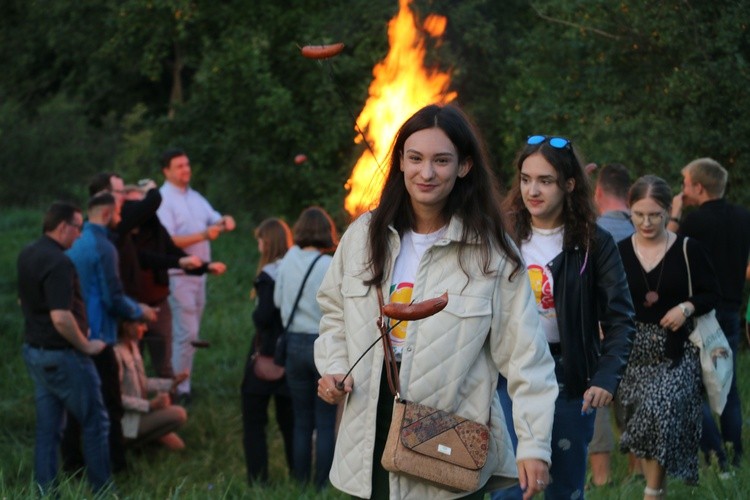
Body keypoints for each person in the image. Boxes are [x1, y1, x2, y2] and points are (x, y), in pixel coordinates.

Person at [315, 104, 559, 499]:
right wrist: (334, 368)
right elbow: (333, 314)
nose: (426, 173)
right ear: (400, 163)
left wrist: (533, 445)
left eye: (441, 161)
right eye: (415, 159)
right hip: (370, 426)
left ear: (463, 167)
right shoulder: (363, 235)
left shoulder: (492, 253)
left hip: (450, 434)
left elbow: (526, 358)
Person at [496, 135, 636, 499]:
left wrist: (606, 377)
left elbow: (621, 317)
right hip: (508, 372)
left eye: (545, 181)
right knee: (512, 488)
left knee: (565, 489)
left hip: (570, 376)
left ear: (569, 184)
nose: (532, 190)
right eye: (526, 179)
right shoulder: (501, 234)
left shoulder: (594, 241)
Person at [618, 175, 720, 498]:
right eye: (638, 214)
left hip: (677, 350)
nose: (646, 222)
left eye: (654, 215)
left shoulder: (689, 250)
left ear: (667, 212)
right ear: (629, 212)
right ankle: (658, 491)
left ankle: (650, 492)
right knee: (643, 422)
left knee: (660, 411)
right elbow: (607, 300)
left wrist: (687, 307)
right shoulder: (620, 252)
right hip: (633, 352)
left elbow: (712, 293)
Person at [17, 201, 111, 494]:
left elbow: (25, 302)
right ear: (62, 227)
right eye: (78, 228)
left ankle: (45, 491)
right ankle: (103, 491)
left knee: (49, 430)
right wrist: (86, 345)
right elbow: (61, 317)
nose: (80, 235)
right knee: (96, 421)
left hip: (36, 352)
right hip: (64, 356)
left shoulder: (28, 253)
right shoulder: (59, 262)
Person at [62, 193, 157, 474]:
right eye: (117, 214)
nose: (120, 219)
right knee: (110, 405)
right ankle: (116, 466)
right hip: (101, 336)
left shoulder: (75, 243)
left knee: (75, 405)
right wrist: (140, 310)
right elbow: (112, 296)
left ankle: (73, 465)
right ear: (106, 214)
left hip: (75, 332)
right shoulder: (104, 247)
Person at [668, 158, 750, 468]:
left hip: (698, 313)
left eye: (686, 183)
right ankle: (735, 453)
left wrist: (675, 213)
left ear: (698, 187)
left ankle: (716, 455)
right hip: (730, 310)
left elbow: (667, 252)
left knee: (688, 388)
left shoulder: (695, 223)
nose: (683, 189)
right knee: (727, 384)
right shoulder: (744, 217)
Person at [156, 148, 233, 404]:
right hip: (179, 274)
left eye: (187, 164)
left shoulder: (194, 196)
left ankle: (182, 382)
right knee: (186, 333)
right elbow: (167, 240)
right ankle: (179, 390)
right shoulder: (164, 199)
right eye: (179, 166)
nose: (185, 169)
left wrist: (225, 220)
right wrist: (203, 235)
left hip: (200, 274)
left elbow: (213, 218)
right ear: (166, 170)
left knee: (191, 332)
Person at [274, 206, 339, 490]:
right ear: (327, 231)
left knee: (302, 419)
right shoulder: (329, 265)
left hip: (293, 343)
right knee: (325, 421)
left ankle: (299, 484)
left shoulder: (287, 259)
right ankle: (322, 485)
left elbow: (277, 301)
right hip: (322, 343)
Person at [590, 162, 636, 486]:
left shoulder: (591, 231)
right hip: (635, 331)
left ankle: (602, 479)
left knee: (595, 407)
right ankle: (636, 473)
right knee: (630, 402)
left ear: (599, 192)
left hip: (596, 329)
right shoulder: (647, 227)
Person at [241, 218, 294, 484]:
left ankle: (258, 480)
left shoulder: (268, 276)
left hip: (267, 353)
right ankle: (300, 477)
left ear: (268, 242)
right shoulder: (297, 268)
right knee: (290, 422)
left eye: (260, 240)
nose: (259, 245)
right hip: (292, 351)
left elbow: (262, 317)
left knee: (254, 420)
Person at [114, 319, 188, 450]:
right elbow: (114, 398)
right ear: (126, 326)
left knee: (178, 446)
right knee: (179, 414)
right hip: (126, 421)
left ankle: (147, 437)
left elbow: (142, 382)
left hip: (137, 414)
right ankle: (130, 444)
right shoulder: (115, 353)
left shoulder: (133, 346)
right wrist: (149, 405)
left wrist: (171, 383)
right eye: (141, 324)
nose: (145, 328)